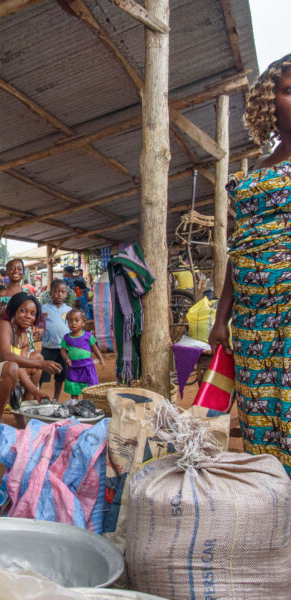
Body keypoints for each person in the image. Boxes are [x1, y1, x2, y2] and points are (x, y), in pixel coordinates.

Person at [208, 53, 291, 473]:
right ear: (268, 102)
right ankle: (275, 508)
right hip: (253, 321)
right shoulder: (255, 169)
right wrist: (221, 318)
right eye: (289, 90)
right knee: (259, 421)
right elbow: (238, 249)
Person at [0, 293, 61, 423]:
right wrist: (40, 365)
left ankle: (25, 406)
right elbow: (5, 356)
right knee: (15, 365)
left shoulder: (24, 338)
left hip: (7, 376)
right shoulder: (3, 325)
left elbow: (20, 368)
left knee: (37, 357)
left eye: (32, 314)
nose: (27, 316)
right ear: (13, 310)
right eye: (23, 311)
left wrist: (36, 391)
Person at [61, 308, 104, 399]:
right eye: (70, 321)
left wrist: (101, 359)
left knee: (89, 390)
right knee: (74, 389)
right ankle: (74, 406)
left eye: (77, 320)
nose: (73, 323)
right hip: (73, 368)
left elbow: (95, 348)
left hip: (87, 367)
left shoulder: (88, 336)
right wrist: (66, 358)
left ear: (83, 323)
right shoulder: (67, 337)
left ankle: (87, 406)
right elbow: (63, 350)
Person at [40, 279, 71, 401]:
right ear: (50, 293)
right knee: (42, 374)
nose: (59, 294)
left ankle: (56, 398)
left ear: (66, 294)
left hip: (64, 349)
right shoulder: (43, 308)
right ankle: (37, 395)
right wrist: (40, 320)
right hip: (48, 347)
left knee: (60, 376)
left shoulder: (68, 310)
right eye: (56, 291)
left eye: (62, 292)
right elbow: (38, 324)